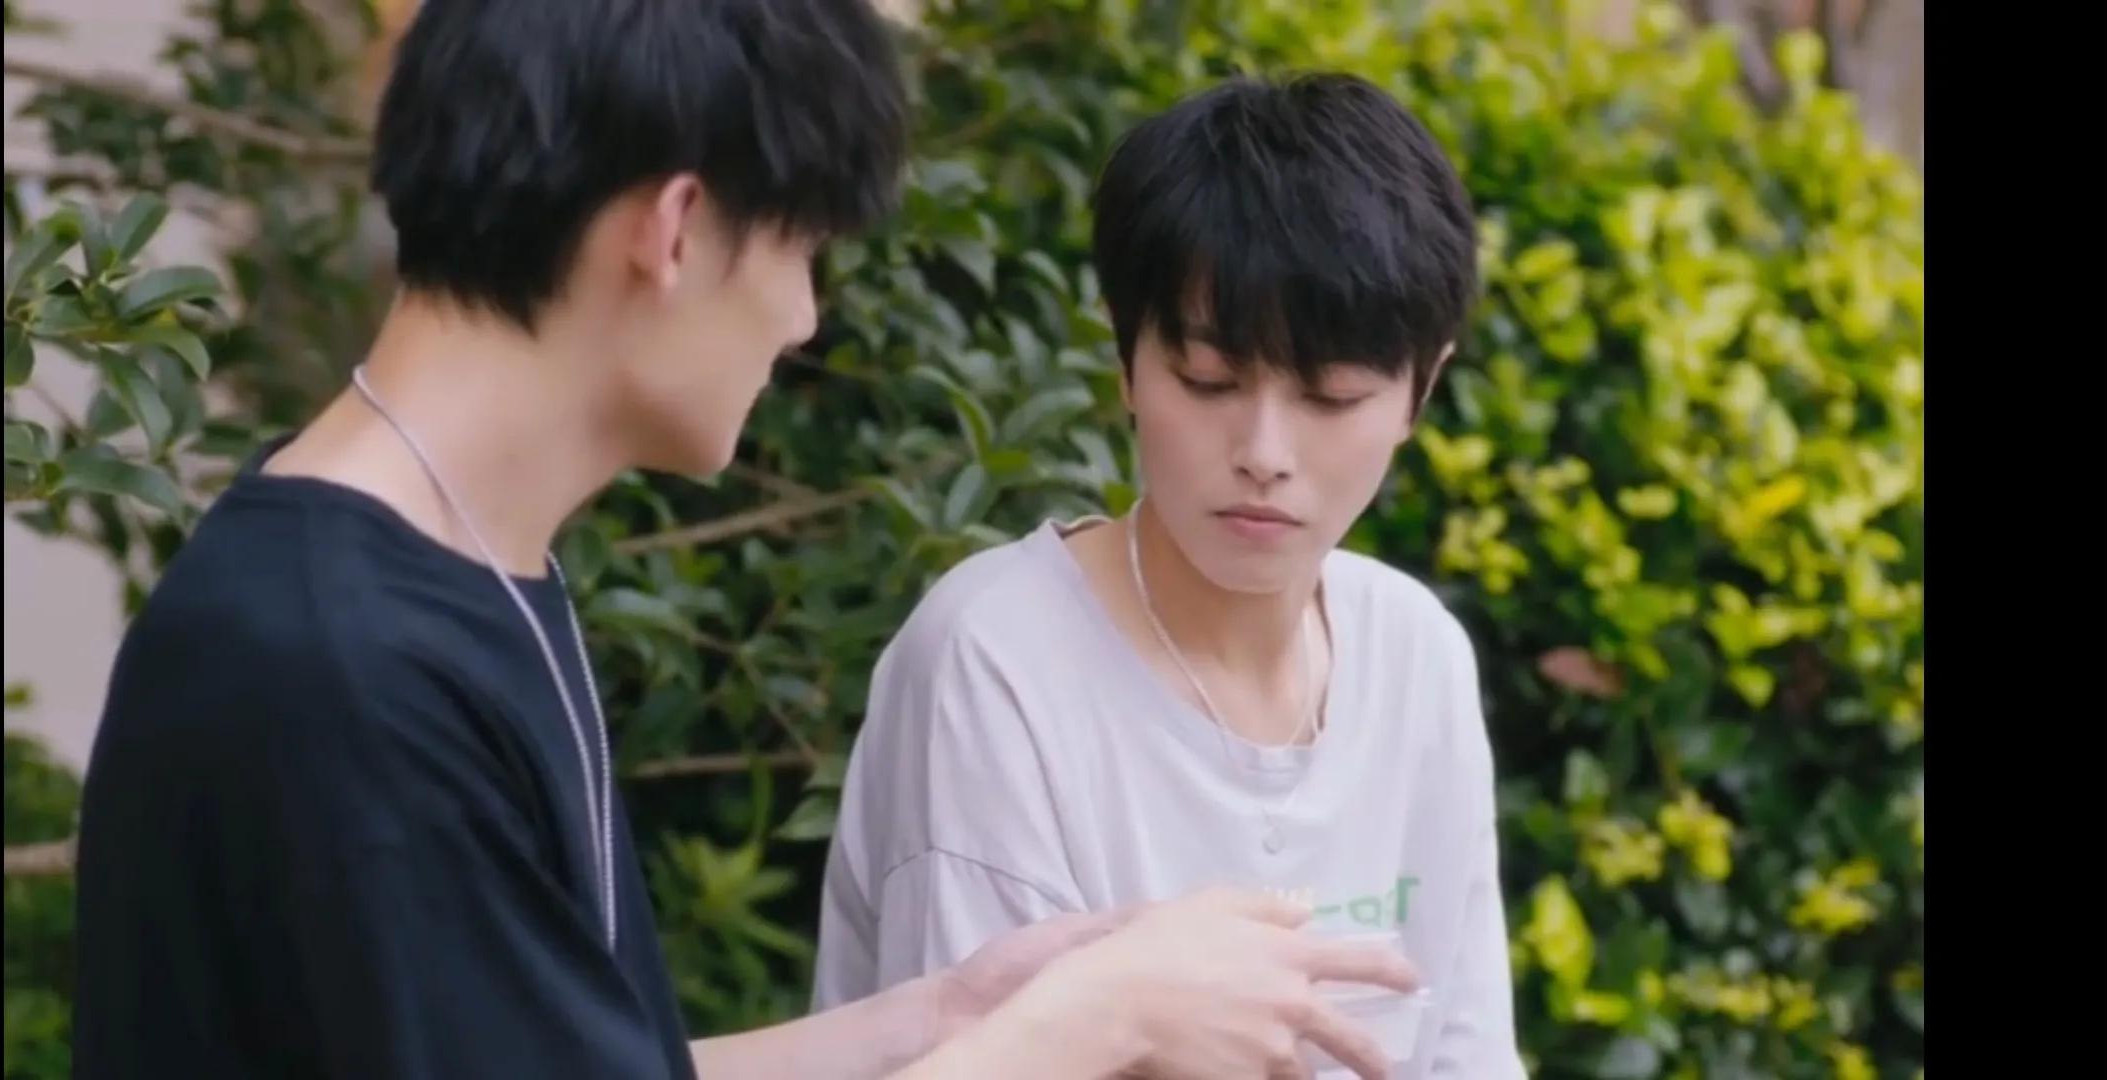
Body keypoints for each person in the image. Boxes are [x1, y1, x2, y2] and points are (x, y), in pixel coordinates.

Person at [69, 2, 1419, 1077]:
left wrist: (942, 1015)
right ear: (677, 228)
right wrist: (1090, 1025)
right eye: (801, 249)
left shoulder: (441, 578)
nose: (804, 317)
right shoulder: (337, 666)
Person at [808, 72, 1526, 1077]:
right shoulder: (997, 663)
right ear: (1126, 356)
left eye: (1331, 397)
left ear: (1421, 389)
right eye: (1208, 381)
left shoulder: (1418, 657)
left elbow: (1465, 1054)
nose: (1264, 452)